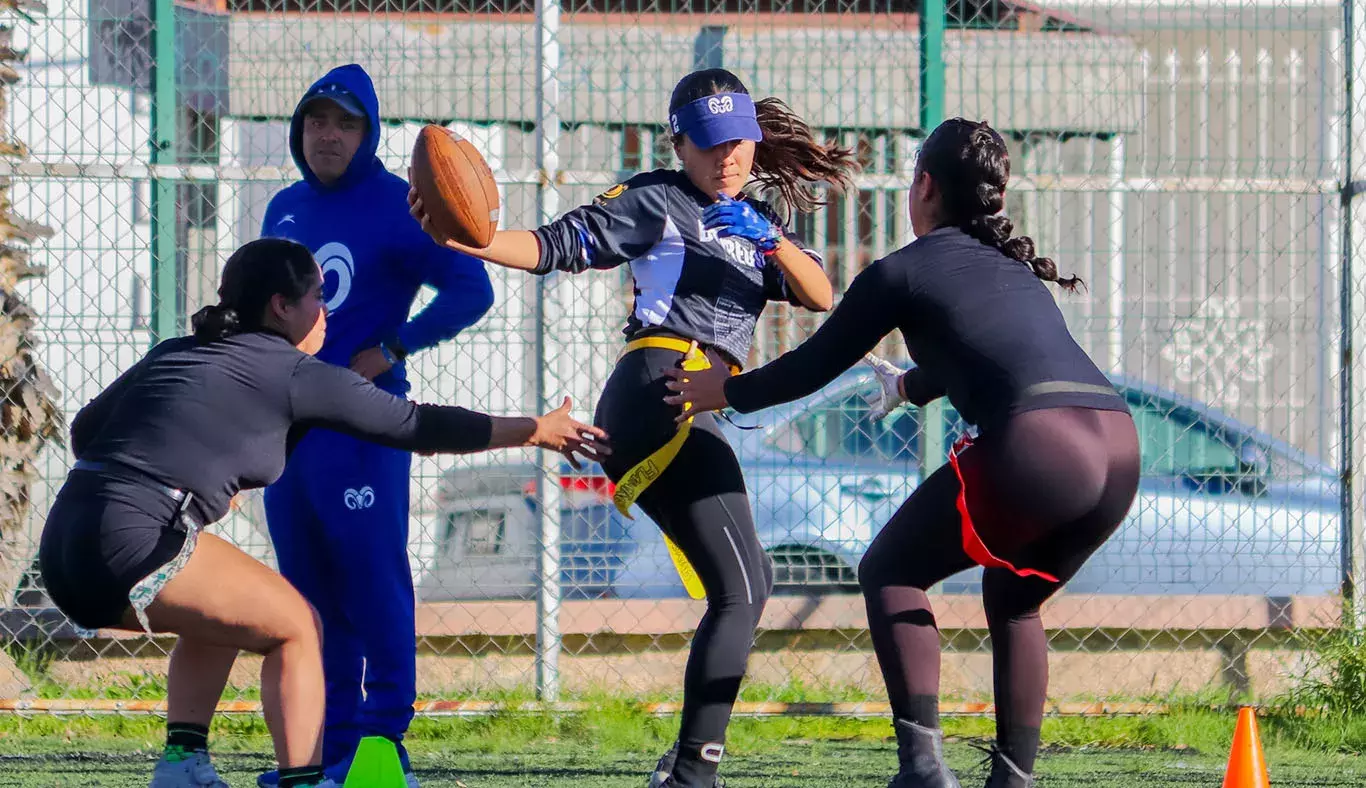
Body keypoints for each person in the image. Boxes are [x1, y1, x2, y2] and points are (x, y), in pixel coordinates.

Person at [409, 68, 857, 787]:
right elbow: (555, 246)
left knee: (746, 585)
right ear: (678, 144)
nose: (728, 158)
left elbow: (820, 294)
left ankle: (687, 766)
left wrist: (769, 241)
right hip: (662, 388)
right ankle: (690, 772)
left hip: (693, 398)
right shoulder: (659, 197)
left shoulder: (757, 218)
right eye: (709, 145)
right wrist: (472, 238)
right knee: (744, 589)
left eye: (739, 141)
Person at [661, 118, 1141, 788]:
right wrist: (911, 386)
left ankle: (922, 769)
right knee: (1015, 599)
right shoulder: (1013, 272)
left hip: (1037, 445)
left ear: (924, 187)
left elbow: (811, 366)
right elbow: (996, 357)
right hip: (1118, 446)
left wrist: (726, 389)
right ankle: (1013, 780)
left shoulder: (900, 271)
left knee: (889, 570)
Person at [37, 238, 605, 788]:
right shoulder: (295, 373)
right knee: (298, 626)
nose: (325, 308)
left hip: (64, 544)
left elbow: (87, 431)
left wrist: (178, 470)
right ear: (281, 308)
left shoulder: (177, 350)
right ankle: (304, 780)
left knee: (228, 614)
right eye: (316, 295)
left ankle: (184, 763)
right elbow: (418, 426)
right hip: (134, 542)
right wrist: (536, 430)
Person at [257, 64, 495, 787]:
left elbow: (471, 290)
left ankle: (384, 746)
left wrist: (395, 347)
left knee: (372, 579)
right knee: (305, 593)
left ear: (369, 134)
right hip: (287, 430)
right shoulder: (284, 208)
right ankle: (329, 754)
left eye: (345, 123)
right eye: (316, 121)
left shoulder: (404, 205)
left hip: (363, 431)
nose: (327, 135)